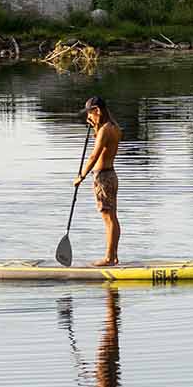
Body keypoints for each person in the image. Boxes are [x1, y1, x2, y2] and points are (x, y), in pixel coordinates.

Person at [75, 96, 122, 266]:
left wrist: (81, 176)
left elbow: (94, 156)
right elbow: (104, 149)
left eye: (90, 113)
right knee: (112, 217)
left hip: (103, 177)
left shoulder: (105, 130)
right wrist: (95, 126)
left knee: (108, 218)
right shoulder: (114, 127)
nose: (89, 116)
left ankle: (109, 258)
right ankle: (113, 256)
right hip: (111, 175)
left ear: (98, 110)